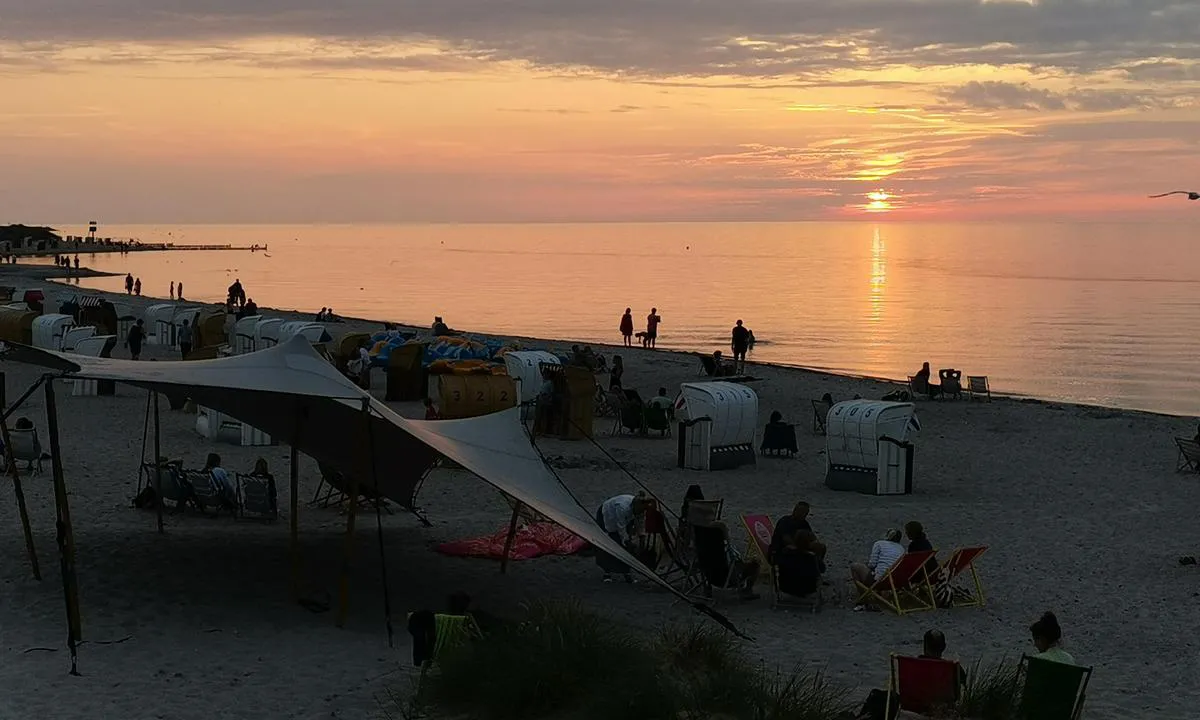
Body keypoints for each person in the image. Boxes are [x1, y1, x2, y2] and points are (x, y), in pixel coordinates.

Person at [595, 493, 649, 583]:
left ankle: (626, 572)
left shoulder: (642, 508)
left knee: (627, 545)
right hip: (607, 515)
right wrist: (626, 540)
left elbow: (641, 522)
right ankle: (607, 573)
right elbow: (621, 527)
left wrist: (641, 537)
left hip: (625, 519)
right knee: (610, 542)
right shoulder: (622, 507)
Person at [850, 529, 906, 606]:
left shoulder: (879, 544)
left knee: (855, 566)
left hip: (879, 581)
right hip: (894, 582)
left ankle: (863, 596)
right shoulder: (901, 549)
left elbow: (872, 564)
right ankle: (879, 594)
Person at [709, 521, 761, 600]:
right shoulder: (726, 548)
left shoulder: (705, 548)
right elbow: (735, 562)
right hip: (728, 578)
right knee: (755, 564)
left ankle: (707, 589)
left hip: (711, 577)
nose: (728, 530)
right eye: (726, 530)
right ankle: (747, 591)